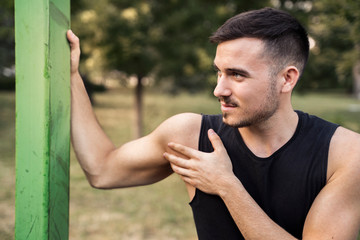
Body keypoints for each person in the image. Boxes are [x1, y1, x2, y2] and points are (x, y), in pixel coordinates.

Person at [67, 7, 360, 240]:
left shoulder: (345, 154)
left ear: (287, 78)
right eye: (218, 72)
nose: (219, 89)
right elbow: (103, 171)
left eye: (237, 75)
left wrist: (227, 186)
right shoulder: (188, 135)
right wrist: (73, 76)